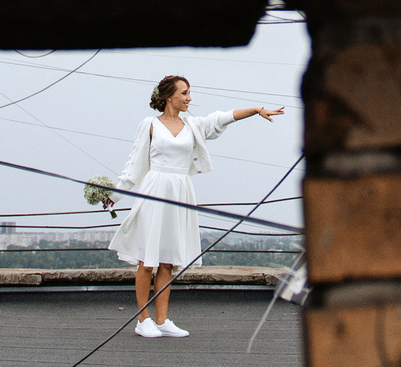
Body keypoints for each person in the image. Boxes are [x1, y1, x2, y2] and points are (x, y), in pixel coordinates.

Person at [112, 75, 284, 338]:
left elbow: (223, 117)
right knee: (147, 261)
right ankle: (142, 319)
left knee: (168, 261)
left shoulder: (193, 125)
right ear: (169, 96)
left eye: (189, 93)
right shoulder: (149, 125)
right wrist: (115, 196)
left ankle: (161, 320)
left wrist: (256, 110)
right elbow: (134, 164)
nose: (189, 98)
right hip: (155, 190)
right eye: (184, 93)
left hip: (180, 192)